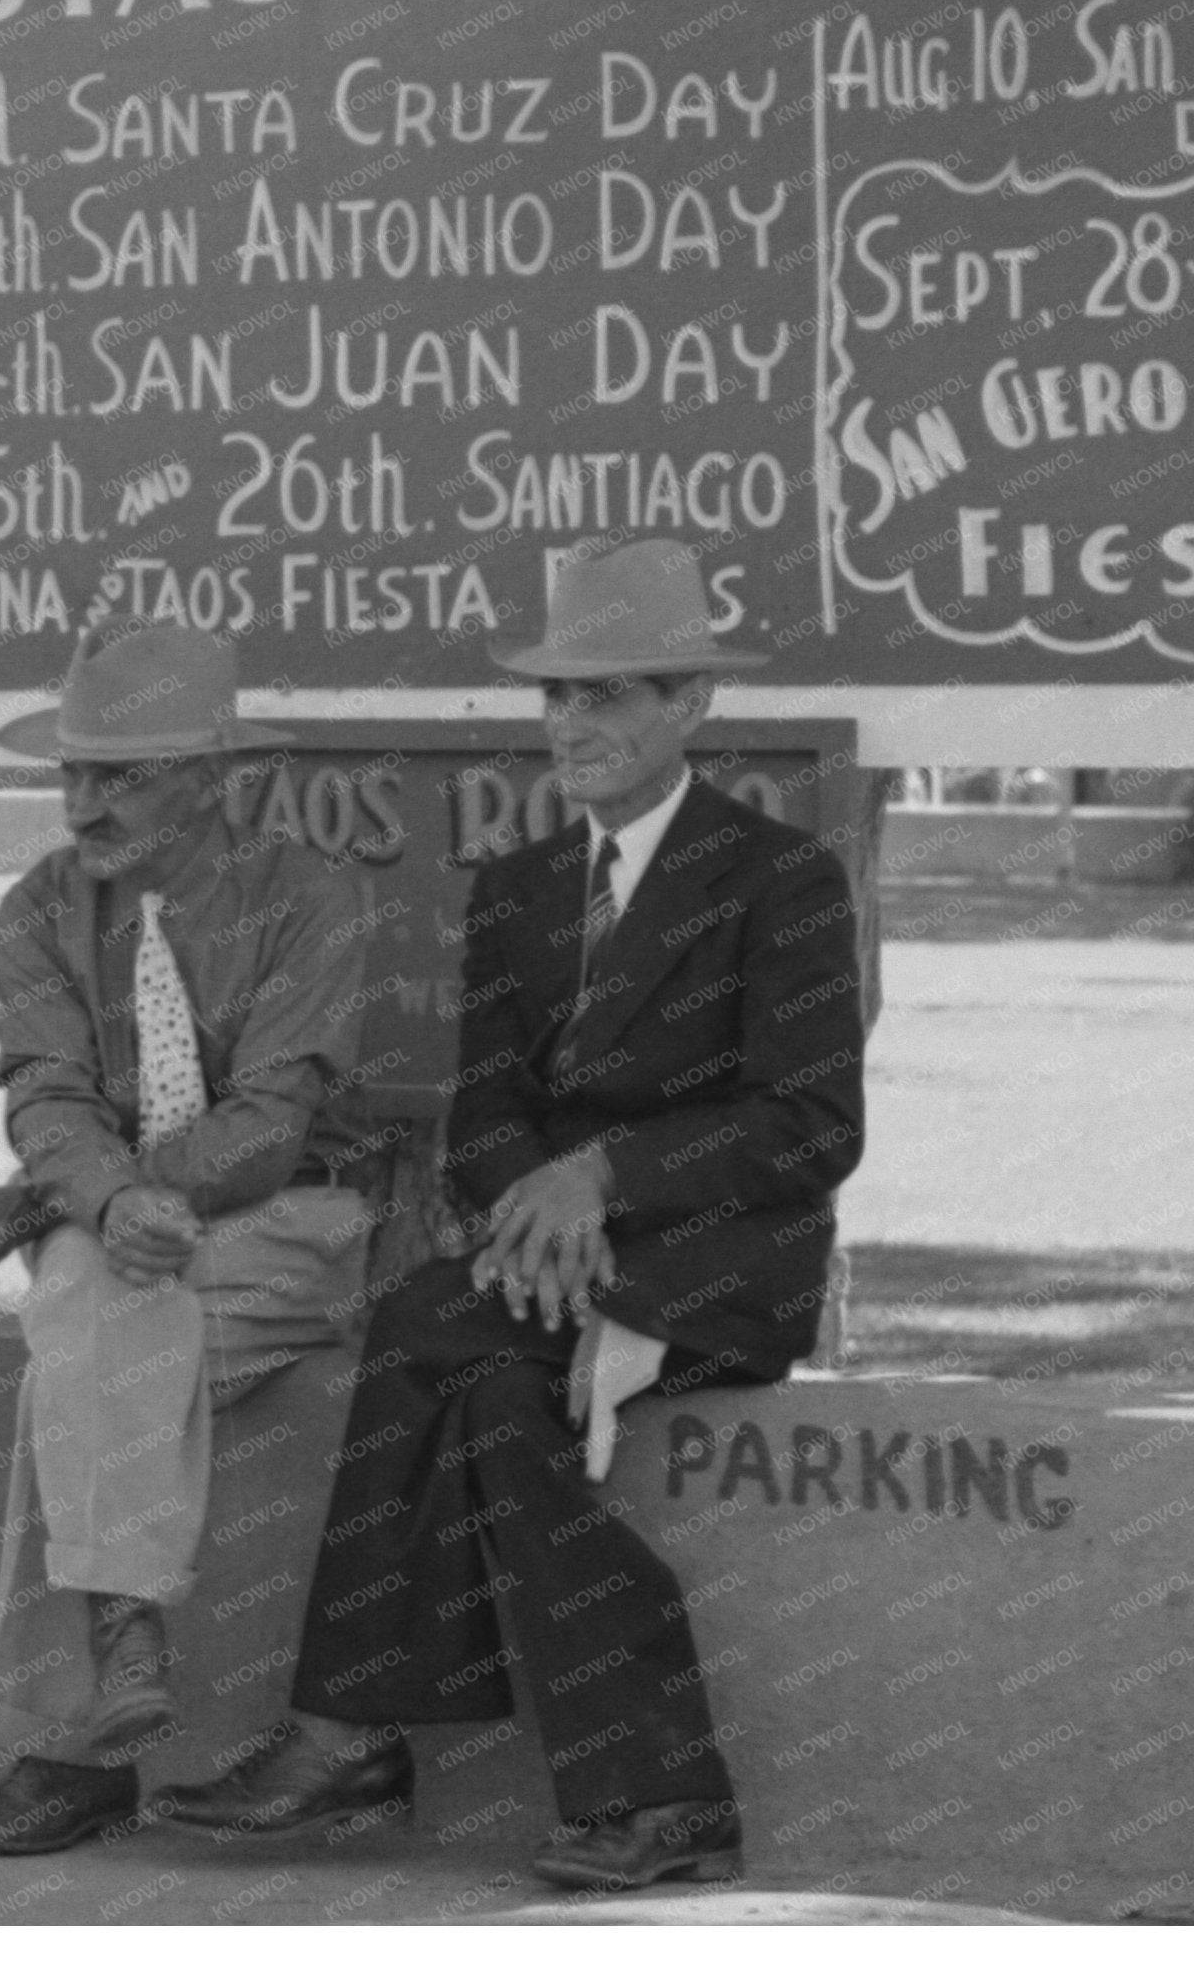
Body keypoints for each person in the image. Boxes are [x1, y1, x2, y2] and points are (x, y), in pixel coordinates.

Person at [148, 536, 867, 1893]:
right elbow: (484, 1115)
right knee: (487, 1400)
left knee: (427, 1322)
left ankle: (348, 1735)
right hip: (540, 1269)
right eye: (557, 696)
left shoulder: (780, 878)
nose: (572, 724)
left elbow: (811, 1127)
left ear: (692, 702)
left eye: (609, 695)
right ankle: (661, 1799)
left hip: (720, 1261)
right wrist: (534, 1209)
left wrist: (599, 1180)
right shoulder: (523, 887)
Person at [0, 623, 384, 1859]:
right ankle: (117, 1645)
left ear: (211, 776)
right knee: (94, 1319)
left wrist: (88, 1201)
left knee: (76, 1340)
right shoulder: (40, 903)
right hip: (115, 1234)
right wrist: (103, 1200)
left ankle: (71, 1743)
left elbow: (272, 1123)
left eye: (120, 776)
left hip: (285, 1225)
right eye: (73, 773)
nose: (84, 804)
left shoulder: (308, 895)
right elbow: (45, 1094)